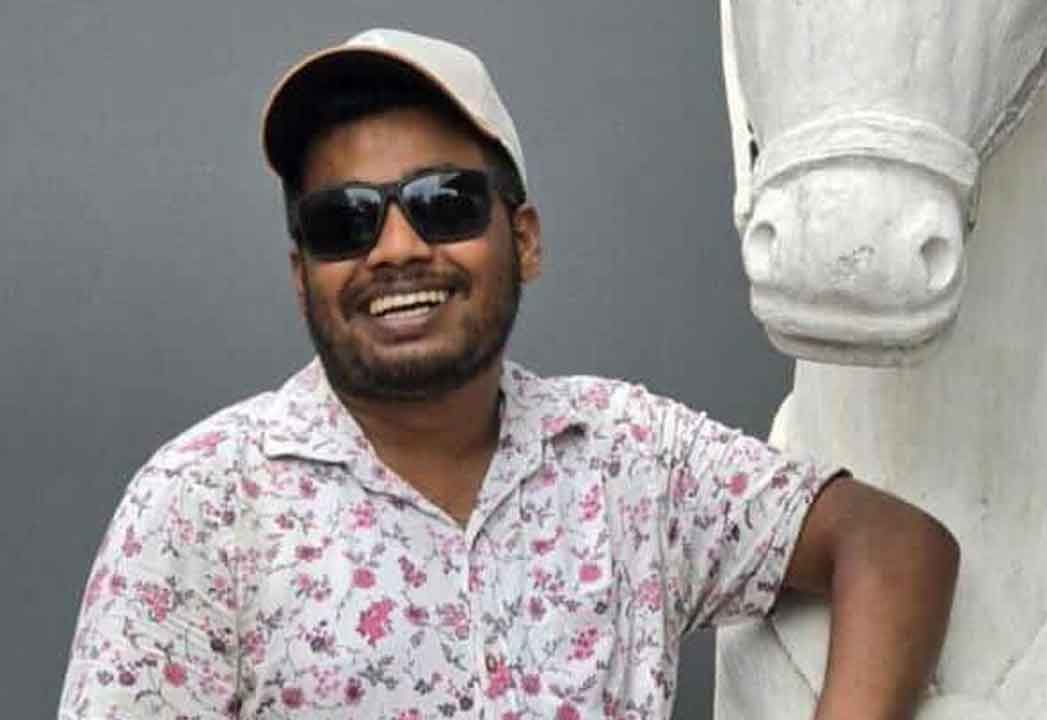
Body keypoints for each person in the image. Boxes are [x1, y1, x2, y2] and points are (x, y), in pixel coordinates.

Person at [59, 28, 958, 720]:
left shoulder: (629, 457)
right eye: (344, 222)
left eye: (443, 204)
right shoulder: (202, 503)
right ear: (303, 277)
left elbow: (893, 547)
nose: (395, 249)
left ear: (522, 240)